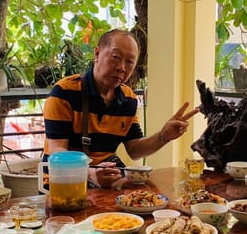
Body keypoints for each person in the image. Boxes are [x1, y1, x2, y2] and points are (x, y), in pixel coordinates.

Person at [43, 28, 198, 187]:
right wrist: (89, 174)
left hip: (107, 178)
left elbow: (135, 150)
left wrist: (164, 135)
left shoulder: (128, 99)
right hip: (64, 181)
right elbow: (57, 151)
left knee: (151, 196)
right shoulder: (64, 93)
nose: (122, 67)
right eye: (115, 57)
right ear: (97, 54)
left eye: (130, 62)